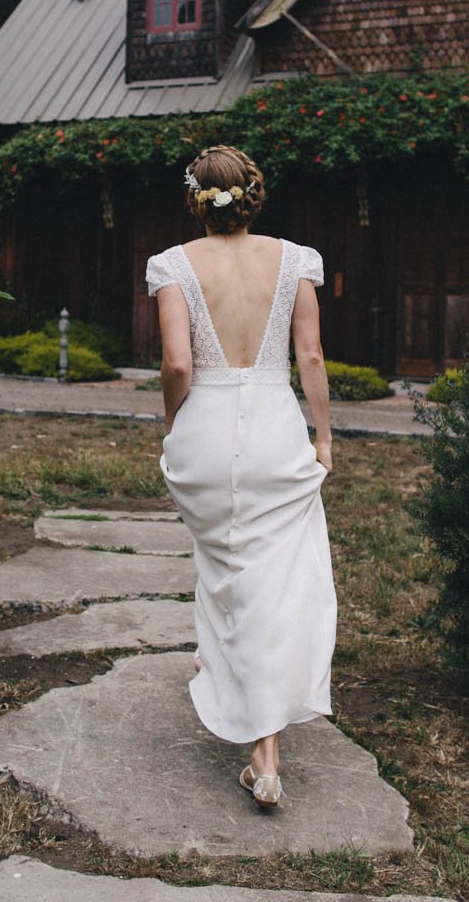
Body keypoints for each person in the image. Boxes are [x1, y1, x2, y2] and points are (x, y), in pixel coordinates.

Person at [144, 145, 337, 810]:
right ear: (254, 195)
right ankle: (268, 752)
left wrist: (173, 424)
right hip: (274, 435)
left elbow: (176, 365)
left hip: (206, 431)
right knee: (272, 579)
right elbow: (308, 354)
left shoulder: (173, 266)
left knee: (224, 567)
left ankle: (242, 708)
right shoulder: (296, 261)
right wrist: (324, 434)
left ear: (196, 199)